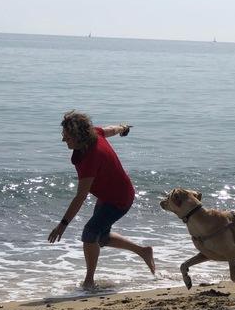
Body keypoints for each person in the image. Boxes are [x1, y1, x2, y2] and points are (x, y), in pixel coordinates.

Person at [48, 110, 155, 289]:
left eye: (67, 136)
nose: (63, 140)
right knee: (102, 237)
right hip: (112, 194)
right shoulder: (94, 134)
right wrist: (123, 127)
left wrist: (63, 225)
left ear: (79, 136)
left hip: (119, 199)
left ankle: (89, 282)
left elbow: (80, 196)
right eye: (63, 135)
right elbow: (110, 130)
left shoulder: (90, 158)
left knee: (90, 234)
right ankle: (143, 251)